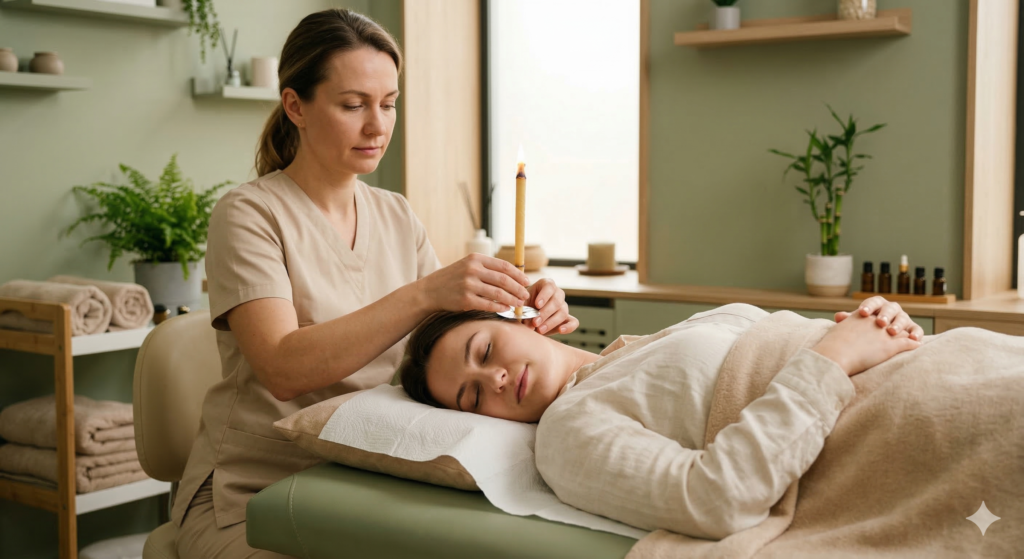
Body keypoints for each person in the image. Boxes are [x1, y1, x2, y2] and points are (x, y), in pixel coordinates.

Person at [173, 9, 578, 558]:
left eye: (388, 103)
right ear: (296, 106)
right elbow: (282, 367)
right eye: (353, 105)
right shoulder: (249, 214)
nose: (378, 126)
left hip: (369, 484)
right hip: (255, 494)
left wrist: (524, 318)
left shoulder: (395, 214)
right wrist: (425, 293)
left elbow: (440, 351)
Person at [398, 297, 928, 536]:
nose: (492, 380)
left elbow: (834, 339)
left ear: (523, 319)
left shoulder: (656, 340)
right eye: (471, 398)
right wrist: (832, 358)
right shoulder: (567, 432)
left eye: (486, 349)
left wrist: (880, 319)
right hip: (905, 420)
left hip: (935, 365)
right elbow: (714, 498)